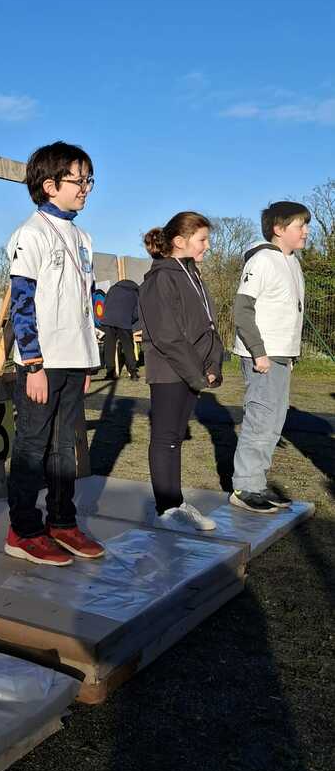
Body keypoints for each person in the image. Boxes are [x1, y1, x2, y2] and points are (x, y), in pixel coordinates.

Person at [4, 141, 105, 567]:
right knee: (32, 446)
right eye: (77, 180)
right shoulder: (32, 233)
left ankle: (62, 522)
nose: (85, 188)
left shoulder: (83, 237)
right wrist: (33, 364)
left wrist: (89, 358)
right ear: (50, 185)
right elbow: (21, 302)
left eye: (89, 180)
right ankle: (23, 529)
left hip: (74, 360)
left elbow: (86, 302)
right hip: (41, 364)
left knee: (66, 447)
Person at [138, 212, 224, 532]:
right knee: (165, 438)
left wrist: (212, 364)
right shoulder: (161, 278)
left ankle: (175, 503)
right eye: (202, 240)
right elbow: (167, 335)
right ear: (179, 241)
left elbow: (208, 326)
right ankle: (166, 508)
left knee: (175, 438)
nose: (207, 246)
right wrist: (195, 374)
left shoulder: (193, 275)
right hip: (170, 371)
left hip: (191, 371)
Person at [230, 201, 310, 513]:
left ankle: (257, 483)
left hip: (282, 356)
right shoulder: (262, 259)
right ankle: (244, 488)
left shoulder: (293, 262)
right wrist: (258, 352)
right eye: (300, 225)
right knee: (260, 420)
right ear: (279, 229)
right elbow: (242, 310)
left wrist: (290, 355)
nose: (305, 231)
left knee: (274, 423)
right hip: (262, 356)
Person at [99, 278, 141, 380]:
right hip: (124, 320)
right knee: (128, 347)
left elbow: (105, 303)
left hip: (108, 319)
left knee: (109, 346)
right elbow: (137, 311)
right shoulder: (135, 293)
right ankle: (133, 372)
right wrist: (130, 320)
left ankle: (110, 372)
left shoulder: (112, 289)